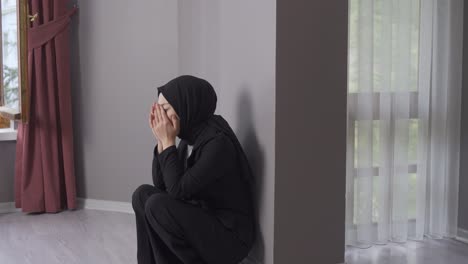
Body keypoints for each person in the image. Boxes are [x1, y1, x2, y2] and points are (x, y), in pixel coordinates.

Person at [132, 75, 255, 264]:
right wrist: (160, 140)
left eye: (165, 110)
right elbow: (162, 184)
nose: (161, 118)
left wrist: (168, 141)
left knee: (157, 205)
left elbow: (177, 191)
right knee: (142, 195)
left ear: (186, 106)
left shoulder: (218, 144)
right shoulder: (188, 138)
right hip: (204, 218)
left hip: (229, 238)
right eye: (159, 111)